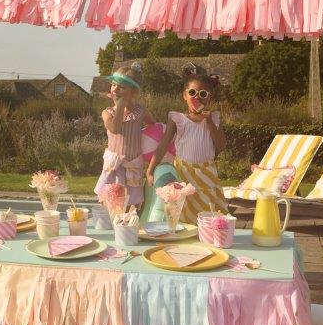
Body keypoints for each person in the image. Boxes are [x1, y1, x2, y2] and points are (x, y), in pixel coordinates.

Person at [146, 72, 227, 223]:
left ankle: (206, 233)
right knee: (182, 211)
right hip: (183, 172)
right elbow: (163, 145)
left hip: (206, 173)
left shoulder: (214, 118)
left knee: (206, 212)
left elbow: (221, 146)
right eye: (192, 92)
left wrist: (209, 121)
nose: (197, 97)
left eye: (203, 94)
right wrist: (150, 171)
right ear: (185, 95)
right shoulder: (178, 119)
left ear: (209, 98)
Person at [94, 63, 154, 207]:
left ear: (133, 91)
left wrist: (147, 145)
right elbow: (115, 128)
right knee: (113, 205)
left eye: (121, 87)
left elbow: (153, 127)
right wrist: (121, 105)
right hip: (115, 167)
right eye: (114, 85)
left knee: (131, 207)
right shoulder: (107, 113)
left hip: (133, 165)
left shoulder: (140, 111)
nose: (115, 89)